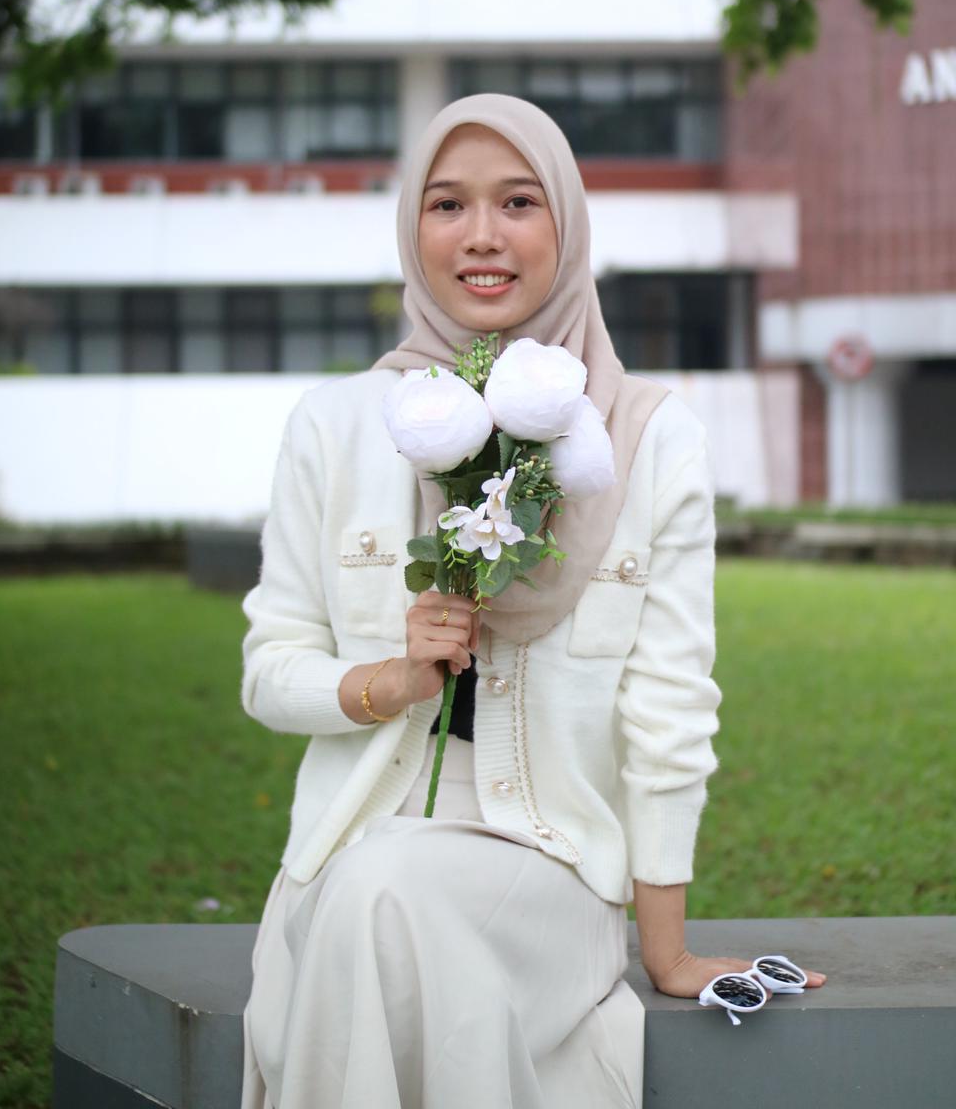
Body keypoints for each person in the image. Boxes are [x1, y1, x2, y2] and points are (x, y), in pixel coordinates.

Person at [238, 93, 826, 1109]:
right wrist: (391, 678)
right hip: (345, 855)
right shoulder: (335, 426)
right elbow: (268, 672)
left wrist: (667, 948)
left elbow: (670, 709)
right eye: (447, 204)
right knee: (374, 887)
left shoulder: (647, 438)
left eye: (518, 201)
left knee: (385, 897)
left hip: (549, 860)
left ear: (567, 222)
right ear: (413, 228)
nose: (481, 236)